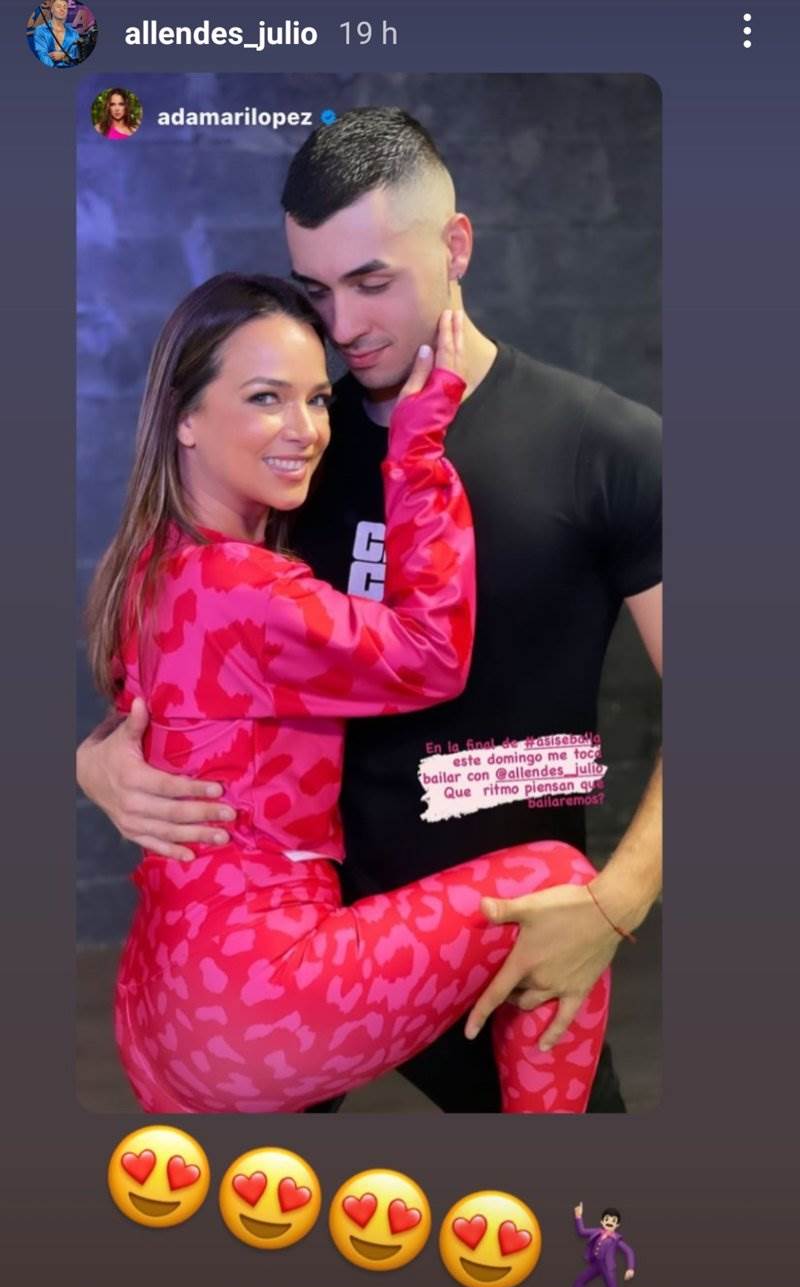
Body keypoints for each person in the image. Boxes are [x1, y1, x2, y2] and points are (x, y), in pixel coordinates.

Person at [77, 107, 662, 1113]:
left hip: (508, 950)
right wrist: (97, 761)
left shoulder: (608, 446)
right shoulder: (289, 445)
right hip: (296, 964)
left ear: (455, 246)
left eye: (371, 281)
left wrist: (615, 901)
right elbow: (193, 651)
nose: (342, 325)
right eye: (316, 289)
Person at [561, 1203, 636, 1287]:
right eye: (607, 1219)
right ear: (602, 1221)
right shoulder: (597, 1232)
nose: (609, 1222)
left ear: (618, 1224)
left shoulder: (616, 1239)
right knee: (579, 1281)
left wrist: (630, 1268)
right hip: (596, 1265)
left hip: (608, 1267)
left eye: (613, 1220)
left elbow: (629, 1251)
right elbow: (581, 1231)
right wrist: (578, 1216)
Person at [31, 0, 79, 68]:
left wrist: (64, 55)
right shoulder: (41, 30)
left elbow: (76, 56)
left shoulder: (74, 33)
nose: (62, 9)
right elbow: (42, 55)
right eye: (58, 6)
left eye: (65, 7)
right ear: (52, 10)